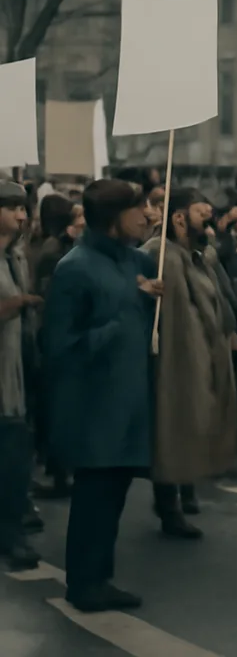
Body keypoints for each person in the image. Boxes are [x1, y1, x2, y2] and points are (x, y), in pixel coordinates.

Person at [45, 179, 162, 611]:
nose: (148, 216)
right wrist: (124, 313)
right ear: (115, 217)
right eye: (140, 208)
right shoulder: (75, 268)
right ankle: (83, 583)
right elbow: (60, 346)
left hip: (130, 399)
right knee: (94, 498)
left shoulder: (138, 260)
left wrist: (148, 301)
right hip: (94, 406)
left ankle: (101, 577)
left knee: (114, 497)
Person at [142, 188, 237, 538]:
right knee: (170, 427)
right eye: (201, 214)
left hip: (201, 351)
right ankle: (169, 505)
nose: (209, 222)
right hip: (170, 357)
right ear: (179, 218)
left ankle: (181, 493)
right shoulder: (158, 254)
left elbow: (218, 300)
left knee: (190, 424)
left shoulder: (202, 256)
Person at [0, 182, 43, 571]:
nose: (22, 215)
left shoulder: (16, 255)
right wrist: (15, 304)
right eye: (12, 207)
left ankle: (12, 530)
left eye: (23, 208)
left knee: (14, 459)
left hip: (16, 374)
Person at [31, 194, 83, 500]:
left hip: (54, 334)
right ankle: (59, 472)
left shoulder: (60, 246)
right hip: (51, 336)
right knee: (55, 406)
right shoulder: (54, 250)